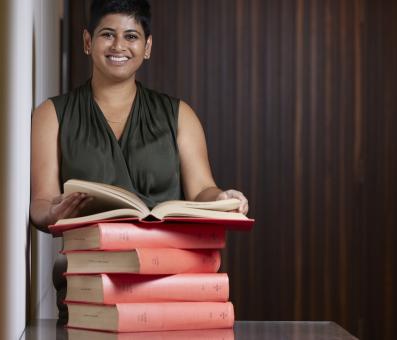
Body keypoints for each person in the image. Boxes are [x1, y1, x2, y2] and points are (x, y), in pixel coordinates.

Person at [30, 0, 249, 324]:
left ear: (147, 47)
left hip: (169, 283)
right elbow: (40, 203)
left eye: (131, 36)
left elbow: (203, 188)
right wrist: (53, 211)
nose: (119, 45)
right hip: (92, 285)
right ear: (88, 41)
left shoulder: (179, 115)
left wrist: (221, 199)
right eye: (107, 34)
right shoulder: (52, 115)